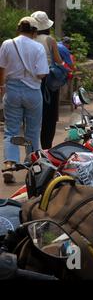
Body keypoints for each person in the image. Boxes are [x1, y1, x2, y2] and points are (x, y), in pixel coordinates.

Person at [0, 17, 49, 183]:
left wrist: (2, 87)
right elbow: (42, 73)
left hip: (12, 91)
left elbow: (1, 68)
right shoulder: (38, 47)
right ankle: (33, 166)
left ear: (18, 29)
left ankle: (9, 165)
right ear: (35, 32)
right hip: (33, 92)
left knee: (11, 130)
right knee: (33, 131)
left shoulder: (7, 44)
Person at [31, 11, 64, 150]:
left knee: (32, 115)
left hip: (31, 80)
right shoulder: (50, 40)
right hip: (48, 82)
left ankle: (32, 148)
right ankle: (46, 146)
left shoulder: (29, 39)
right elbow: (58, 60)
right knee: (49, 116)